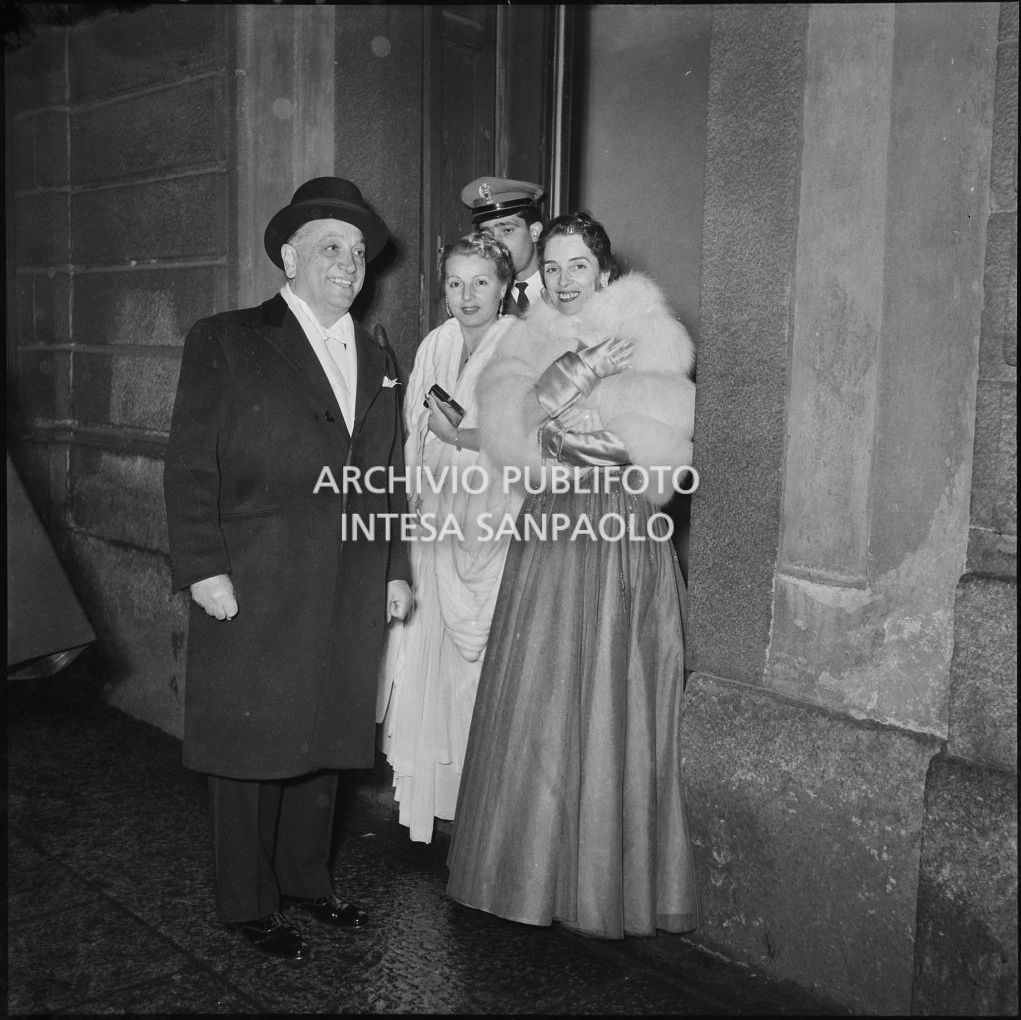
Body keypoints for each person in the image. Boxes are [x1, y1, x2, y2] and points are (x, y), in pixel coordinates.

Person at [163, 176, 413, 961]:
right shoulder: (227, 337)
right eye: (331, 247)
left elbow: (385, 469)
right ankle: (247, 901)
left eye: (359, 251)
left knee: (327, 734)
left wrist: (394, 567)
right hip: (256, 575)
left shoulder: (377, 354)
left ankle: (307, 881)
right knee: (251, 744)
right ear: (288, 256)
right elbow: (189, 463)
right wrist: (204, 567)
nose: (349, 264)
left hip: (345, 580)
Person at [446, 211, 701, 940]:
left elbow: (660, 454)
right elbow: (508, 432)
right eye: (551, 268)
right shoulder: (525, 338)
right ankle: (526, 872)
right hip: (550, 531)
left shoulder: (651, 329)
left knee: (609, 691)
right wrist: (572, 384)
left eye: (577, 267)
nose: (562, 282)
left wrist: (573, 432)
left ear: (605, 271)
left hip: (619, 534)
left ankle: (598, 880)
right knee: (543, 691)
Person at [377, 233, 524, 843]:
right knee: (430, 659)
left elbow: (527, 442)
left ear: (505, 287)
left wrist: (465, 437)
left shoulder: (521, 344)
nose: (467, 296)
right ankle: (440, 802)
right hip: (435, 519)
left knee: (481, 666)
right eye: (456, 283)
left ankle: (486, 807)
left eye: (481, 282)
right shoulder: (435, 344)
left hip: (492, 520)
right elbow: (413, 431)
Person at [461, 175, 545, 313]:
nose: (496, 243)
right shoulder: (469, 298)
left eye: (507, 230)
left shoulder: (564, 287)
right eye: (487, 234)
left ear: (534, 231)